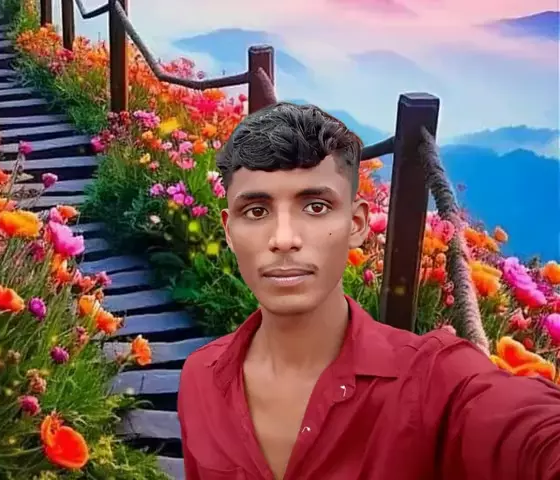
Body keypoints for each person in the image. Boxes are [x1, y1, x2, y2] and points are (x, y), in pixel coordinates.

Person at [176, 102, 560, 480]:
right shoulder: (200, 380)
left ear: (357, 223)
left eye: (315, 207)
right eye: (256, 211)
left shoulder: (433, 382)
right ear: (229, 231)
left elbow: (526, 429)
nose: (284, 238)